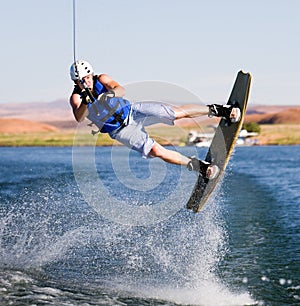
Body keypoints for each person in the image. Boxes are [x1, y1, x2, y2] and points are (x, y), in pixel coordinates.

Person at [69, 60, 241, 180]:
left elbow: (120, 89)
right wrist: (85, 100)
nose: (86, 82)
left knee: (175, 113)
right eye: (81, 80)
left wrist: (108, 95)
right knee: (156, 151)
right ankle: (200, 167)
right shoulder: (76, 97)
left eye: (87, 77)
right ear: (76, 82)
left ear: (91, 74)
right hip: (120, 130)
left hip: (132, 111)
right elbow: (79, 117)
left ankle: (218, 110)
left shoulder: (101, 79)